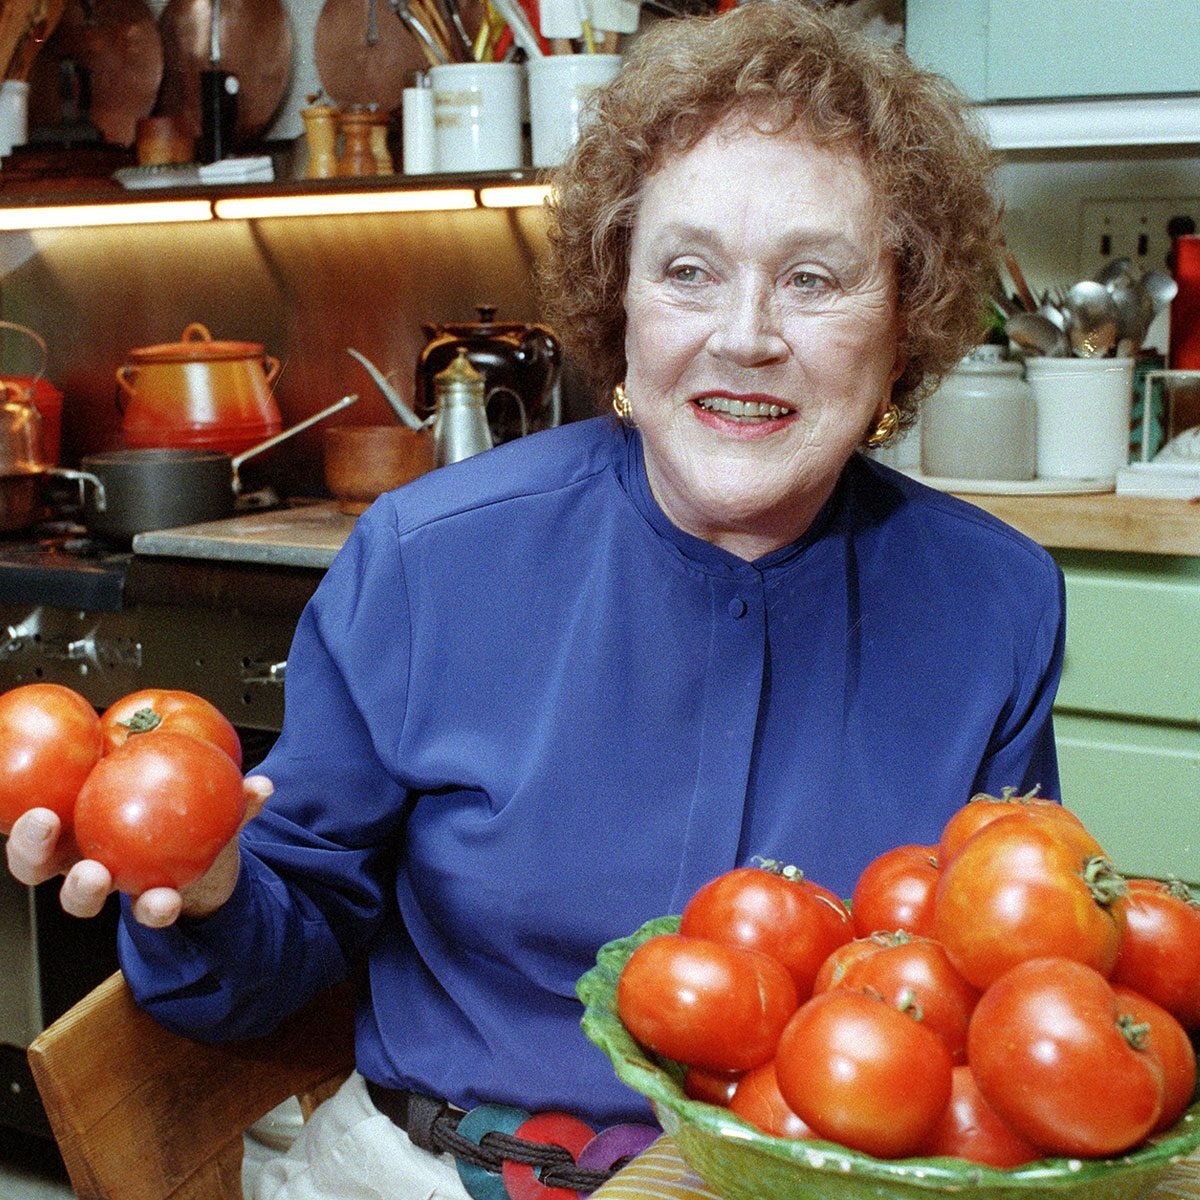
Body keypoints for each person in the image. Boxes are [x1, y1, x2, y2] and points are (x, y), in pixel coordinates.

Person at [6, 3, 1065, 1197]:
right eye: (688, 271)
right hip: (434, 1172)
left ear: (905, 317)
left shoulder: (993, 603)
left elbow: (1005, 984)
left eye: (814, 279)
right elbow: (279, 949)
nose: (745, 334)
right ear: (621, 304)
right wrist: (210, 891)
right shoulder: (428, 560)